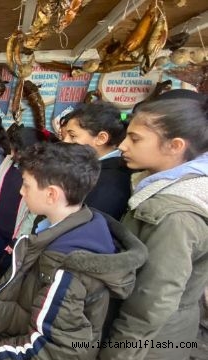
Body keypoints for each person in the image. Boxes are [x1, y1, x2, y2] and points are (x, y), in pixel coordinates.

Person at [0, 142, 147, 359]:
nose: (21, 191)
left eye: (26, 185)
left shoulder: (65, 267)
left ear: (51, 194)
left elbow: (53, 349)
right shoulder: (71, 227)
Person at [99, 95, 208, 360]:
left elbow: (151, 304)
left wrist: (116, 355)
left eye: (135, 139)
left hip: (151, 347)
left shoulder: (175, 216)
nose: (123, 145)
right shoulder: (156, 189)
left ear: (175, 146)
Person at [0, 124, 51, 274]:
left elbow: (33, 214)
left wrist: (18, 239)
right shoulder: (8, 161)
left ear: (28, 150)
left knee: (5, 271)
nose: (11, 152)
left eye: (15, 149)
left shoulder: (39, 174)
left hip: (14, 234)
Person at [61, 101, 131, 220]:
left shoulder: (111, 183)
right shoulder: (95, 169)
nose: (65, 142)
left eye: (72, 136)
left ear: (101, 138)